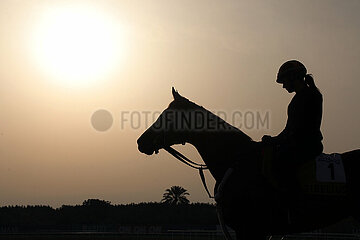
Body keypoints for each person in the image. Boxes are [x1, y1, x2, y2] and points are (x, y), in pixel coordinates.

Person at [262, 60, 323, 193]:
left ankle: (293, 199)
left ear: (292, 78)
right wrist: (274, 140)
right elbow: (290, 130)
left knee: (280, 166)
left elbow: (296, 130)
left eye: (284, 81)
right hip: (301, 144)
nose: (283, 86)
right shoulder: (304, 96)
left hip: (306, 146)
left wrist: (273, 141)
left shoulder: (307, 96)